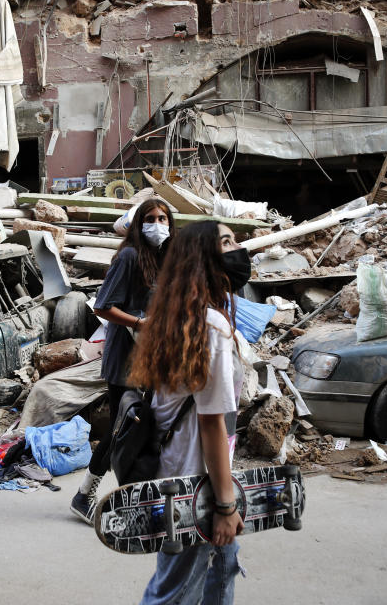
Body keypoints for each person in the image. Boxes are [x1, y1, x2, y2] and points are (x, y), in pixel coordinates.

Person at [127, 220, 253, 604]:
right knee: (175, 591)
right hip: (195, 484)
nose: (239, 248)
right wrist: (225, 504)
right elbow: (213, 423)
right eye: (227, 242)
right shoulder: (211, 326)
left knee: (219, 574)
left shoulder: (177, 317)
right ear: (205, 259)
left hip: (184, 473)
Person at [70, 197, 175, 524]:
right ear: (138, 224)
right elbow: (102, 306)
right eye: (151, 218)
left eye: (163, 218)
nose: (158, 225)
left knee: (143, 428)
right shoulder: (129, 257)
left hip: (151, 356)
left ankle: (137, 497)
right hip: (125, 358)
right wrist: (141, 324)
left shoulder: (161, 258)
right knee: (122, 430)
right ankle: (87, 494)